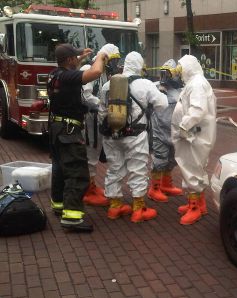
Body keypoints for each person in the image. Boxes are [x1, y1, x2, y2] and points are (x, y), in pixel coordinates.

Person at [47, 43, 113, 232]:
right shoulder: (69, 77)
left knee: (60, 168)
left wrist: (81, 56)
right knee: (77, 173)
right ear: (68, 60)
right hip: (68, 131)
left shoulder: (55, 74)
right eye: (75, 57)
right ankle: (72, 218)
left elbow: (70, 67)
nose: (77, 59)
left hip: (56, 129)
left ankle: (58, 205)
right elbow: (95, 73)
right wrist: (101, 56)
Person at [98, 51, 168, 222]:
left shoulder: (108, 85)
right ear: (139, 65)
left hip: (112, 134)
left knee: (114, 169)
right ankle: (138, 209)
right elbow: (162, 104)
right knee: (138, 169)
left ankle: (115, 206)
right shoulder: (145, 84)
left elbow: (101, 112)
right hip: (136, 135)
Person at [171, 55, 217, 225]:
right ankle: (199, 204)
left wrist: (184, 125)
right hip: (194, 135)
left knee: (192, 168)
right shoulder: (195, 82)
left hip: (195, 135)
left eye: (181, 68)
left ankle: (195, 208)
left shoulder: (197, 84)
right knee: (195, 168)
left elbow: (197, 109)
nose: (179, 72)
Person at [80, 44, 121, 207]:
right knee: (90, 152)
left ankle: (91, 186)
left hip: (98, 118)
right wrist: (102, 104)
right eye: (114, 60)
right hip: (90, 117)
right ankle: (88, 190)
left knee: (95, 153)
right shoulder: (88, 68)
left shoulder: (103, 72)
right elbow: (85, 95)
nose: (115, 63)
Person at [147, 59, 183, 203]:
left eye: (169, 73)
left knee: (172, 159)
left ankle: (166, 184)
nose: (166, 76)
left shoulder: (181, 89)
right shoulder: (155, 87)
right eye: (164, 73)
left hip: (174, 131)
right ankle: (154, 188)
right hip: (159, 131)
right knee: (159, 159)